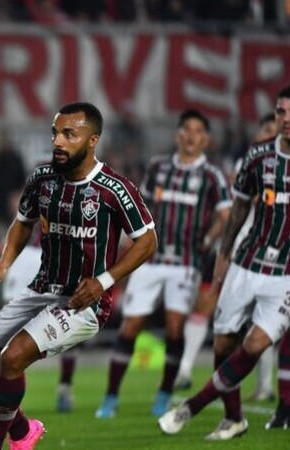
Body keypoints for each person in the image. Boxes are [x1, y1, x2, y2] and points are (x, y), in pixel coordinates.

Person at [0, 102, 157, 450]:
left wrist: (103, 282)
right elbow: (22, 222)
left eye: (69, 134)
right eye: (56, 132)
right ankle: (23, 432)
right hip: (42, 287)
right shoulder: (41, 179)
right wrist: (3, 265)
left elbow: (147, 241)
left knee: (12, 358)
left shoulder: (113, 188)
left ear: (91, 140)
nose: (58, 141)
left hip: (84, 302)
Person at [158, 86, 290, 440]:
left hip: (285, 279)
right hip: (246, 264)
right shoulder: (258, 157)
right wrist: (224, 255)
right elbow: (239, 211)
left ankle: (191, 407)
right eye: (281, 112)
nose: (286, 119)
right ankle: (234, 419)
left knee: (256, 344)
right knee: (223, 345)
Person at [96, 109, 232, 418]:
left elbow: (225, 216)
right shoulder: (158, 167)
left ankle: (164, 394)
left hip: (186, 264)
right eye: (187, 129)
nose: (191, 135)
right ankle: (110, 397)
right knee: (130, 326)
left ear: (205, 139)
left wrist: (208, 242)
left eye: (198, 131)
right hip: (151, 260)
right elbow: (141, 208)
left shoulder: (213, 175)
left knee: (174, 327)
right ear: (178, 135)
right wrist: (128, 248)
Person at [175, 111, 279, 395]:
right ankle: (185, 369)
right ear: (258, 135)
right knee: (207, 303)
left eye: (275, 127)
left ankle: (265, 385)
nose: (271, 132)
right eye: (266, 128)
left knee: (261, 320)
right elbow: (237, 206)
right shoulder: (247, 162)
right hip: (236, 246)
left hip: (267, 253)